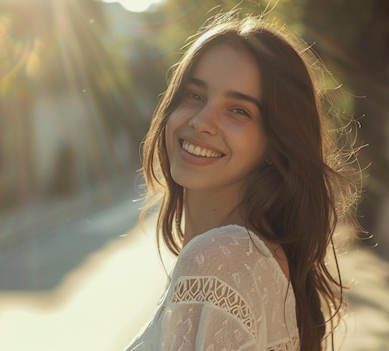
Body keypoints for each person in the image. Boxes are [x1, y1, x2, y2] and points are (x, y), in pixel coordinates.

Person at [126, 12, 360, 351]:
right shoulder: (252, 259)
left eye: (238, 110)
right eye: (194, 95)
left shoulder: (220, 261)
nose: (202, 121)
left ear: (274, 143)